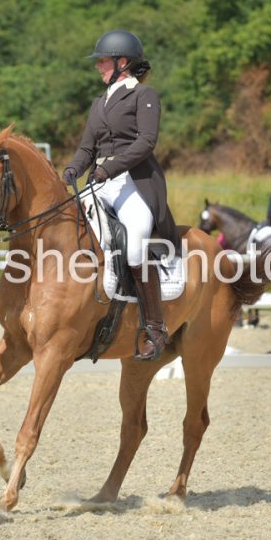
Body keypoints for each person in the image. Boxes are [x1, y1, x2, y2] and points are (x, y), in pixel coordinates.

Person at [62, 29, 180, 362]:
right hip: (99, 182)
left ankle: (155, 328)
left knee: (135, 243)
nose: (98, 66)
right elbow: (87, 148)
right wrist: (71, 170)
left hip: (133, 182)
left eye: (103, 61)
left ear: (122, 62)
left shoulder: (144, 95)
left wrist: (109, 168)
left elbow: (146, 142)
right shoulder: (99, 103)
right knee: (70, 232)